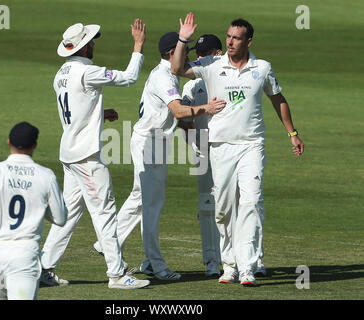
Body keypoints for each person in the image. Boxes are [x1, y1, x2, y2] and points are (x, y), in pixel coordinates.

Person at [171, 13, 304, 286]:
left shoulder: (263, 68)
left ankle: (247, 266)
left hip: (251, 144)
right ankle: (229, 264)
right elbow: (176, 69)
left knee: (251, 201)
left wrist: (292, 133)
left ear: (248, 41)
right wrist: (183, 39)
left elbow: (278, 99)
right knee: (224, 207)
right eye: (228, 37)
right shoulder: (211, 65)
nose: (230, 42)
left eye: (236, 38)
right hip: (220, 146)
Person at [95, 32, 226, 281]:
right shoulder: (164, 76)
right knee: (152, 207)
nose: (185, 57)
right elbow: (178, 111)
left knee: (139, 197)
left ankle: (107, 242)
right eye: (183, 51)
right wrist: (206, 109)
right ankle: (155, 264)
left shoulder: (164, 73)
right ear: (170, 53)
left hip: (151, 141)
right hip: (150, 144)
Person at [39, 19, 150, 289]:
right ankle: (117, 274)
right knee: (104, 211)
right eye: (90, 41)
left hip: (69, 153)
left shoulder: (61, 74)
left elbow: (76, 108)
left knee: (69, 214)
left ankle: (42, 269)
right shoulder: (87, 71)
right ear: (82, 46)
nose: (93, 44)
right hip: (86, 156)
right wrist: (138, 46)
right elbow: (129, 78)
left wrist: (101, 112)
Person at [0, 122, 68, 300]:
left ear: (9, 142)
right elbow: (61, 218)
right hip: (23, 255)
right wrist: (41, 207)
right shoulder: (46, 175)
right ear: (35, 145)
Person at [180, 34, 223, 277]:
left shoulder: (228, 80)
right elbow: (183, 119)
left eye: (203, 54)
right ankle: (211, 261)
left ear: (217, 54)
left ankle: (245, 259)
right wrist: (195, 144)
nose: (198, 58)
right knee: (207, 206)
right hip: (203, 154)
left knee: (237, 204)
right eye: (196, 54)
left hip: (229, 149)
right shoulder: (191, 85)